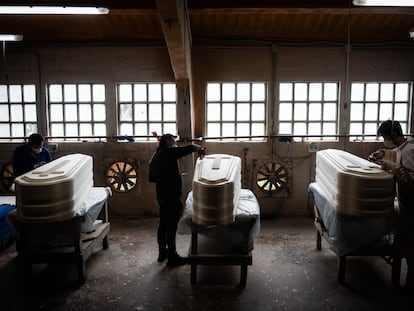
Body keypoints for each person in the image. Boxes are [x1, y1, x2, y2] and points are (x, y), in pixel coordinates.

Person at [370, 120, 414, 293]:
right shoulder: (404, 147)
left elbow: (411, 180)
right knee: (407, 243)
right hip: (407, 204)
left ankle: (411, 287)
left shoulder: (410, 151)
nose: (384, 140)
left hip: (412, 206)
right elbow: (395, 151)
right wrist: (383, 153)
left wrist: (393, 169)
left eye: (385, 137)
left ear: (393, 135)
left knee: (411, 246)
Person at [149, 134, 204, 267]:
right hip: (171, 195)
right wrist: (200, 148)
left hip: (161, 195)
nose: (175, 144)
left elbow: (151, 178)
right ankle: (172, 257)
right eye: (174, 142)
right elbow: (190, 147)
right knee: (171, 226)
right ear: (168, 142)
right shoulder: (168, 152)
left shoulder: (155, 156)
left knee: (163, 224)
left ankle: (163, 252)